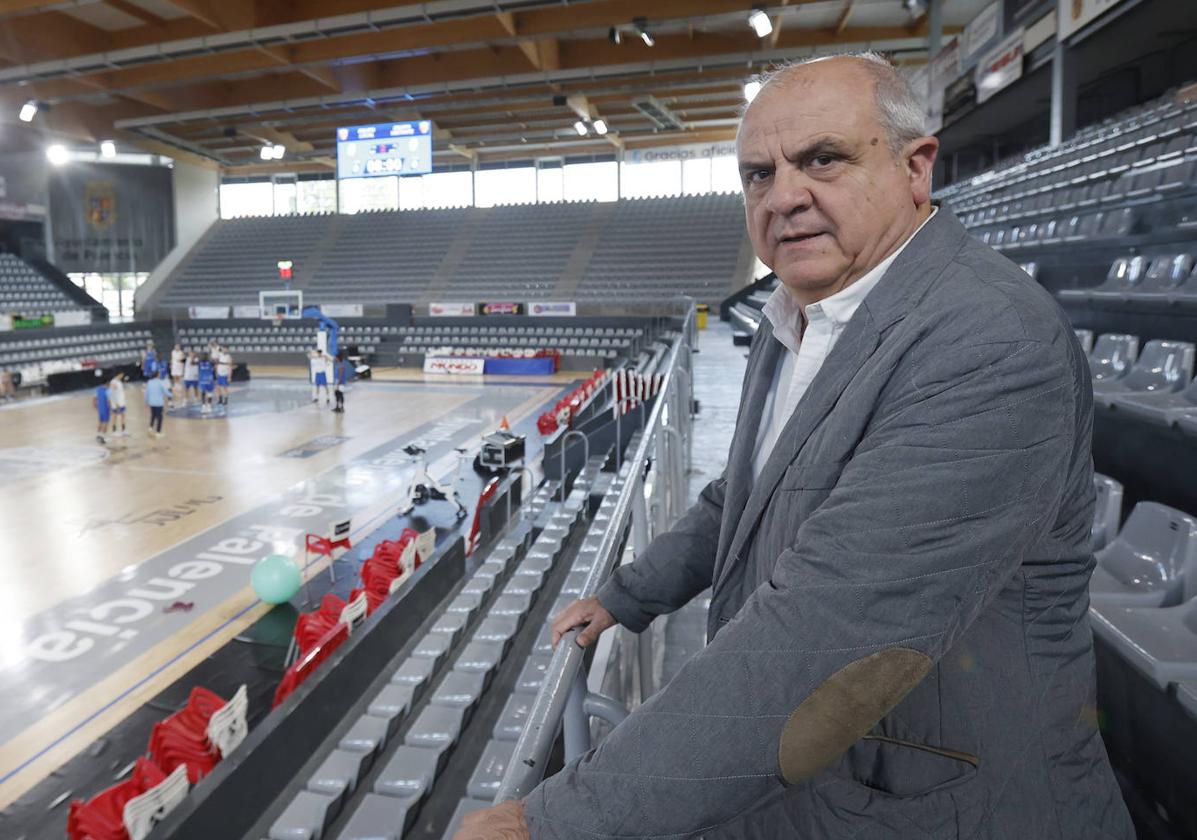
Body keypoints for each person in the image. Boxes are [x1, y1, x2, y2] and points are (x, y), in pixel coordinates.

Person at [460, 53, 1134, 840]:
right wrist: (627, 595)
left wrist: (553, 822)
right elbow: (740, 497)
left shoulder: (987, 339)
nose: (783, 196)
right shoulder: (793, 319)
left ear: (916, 168)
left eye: (822, 159)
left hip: (952, 807)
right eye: (757, 175)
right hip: (824, 786)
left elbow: (827, 629)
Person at [145, 368, 168, 438]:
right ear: (158, 375)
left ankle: (150, 428)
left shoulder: (149, 382)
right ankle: (158, 432)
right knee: (159, 418)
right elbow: (165, 392)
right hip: (159, 403)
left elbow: (147, 393)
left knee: (153, 415)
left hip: (152, 403)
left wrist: (146, 401)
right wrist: (172, 394)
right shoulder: (160, 382)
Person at [107, 371, 128, 437]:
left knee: (123, 416)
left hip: (121, 402)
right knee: (114, 417)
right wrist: (116, 403)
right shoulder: (113, 382)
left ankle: (123, 430)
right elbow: (112, 394)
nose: (122, 376)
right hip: (117, 404)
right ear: (119, 374)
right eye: (122, 374)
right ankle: (114, 431)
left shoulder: (119, 381)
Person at [93, 374, 110, 445]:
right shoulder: (107, 390)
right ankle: (102, 438)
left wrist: (95, 406)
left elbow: (94, 398)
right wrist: (112, 408)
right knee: (105, 423)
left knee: (100, 422)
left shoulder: (97, 389)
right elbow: (109, 401)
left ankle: (98, 435)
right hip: (105, 408)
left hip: (100, 408)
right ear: (107, 383)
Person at [215, 344, 233, 411]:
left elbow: (230, 367)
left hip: (225, 374)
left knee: (225, 388)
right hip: (219, 374)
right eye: (223, 348)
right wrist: (216, 373)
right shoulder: (220, 355)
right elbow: (217, 364)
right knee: (218, 387)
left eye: (226, 349)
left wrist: (229, 377)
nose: (224, 350)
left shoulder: (229, 357)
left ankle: (225, 400)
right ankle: (220, 399)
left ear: (227, 350)